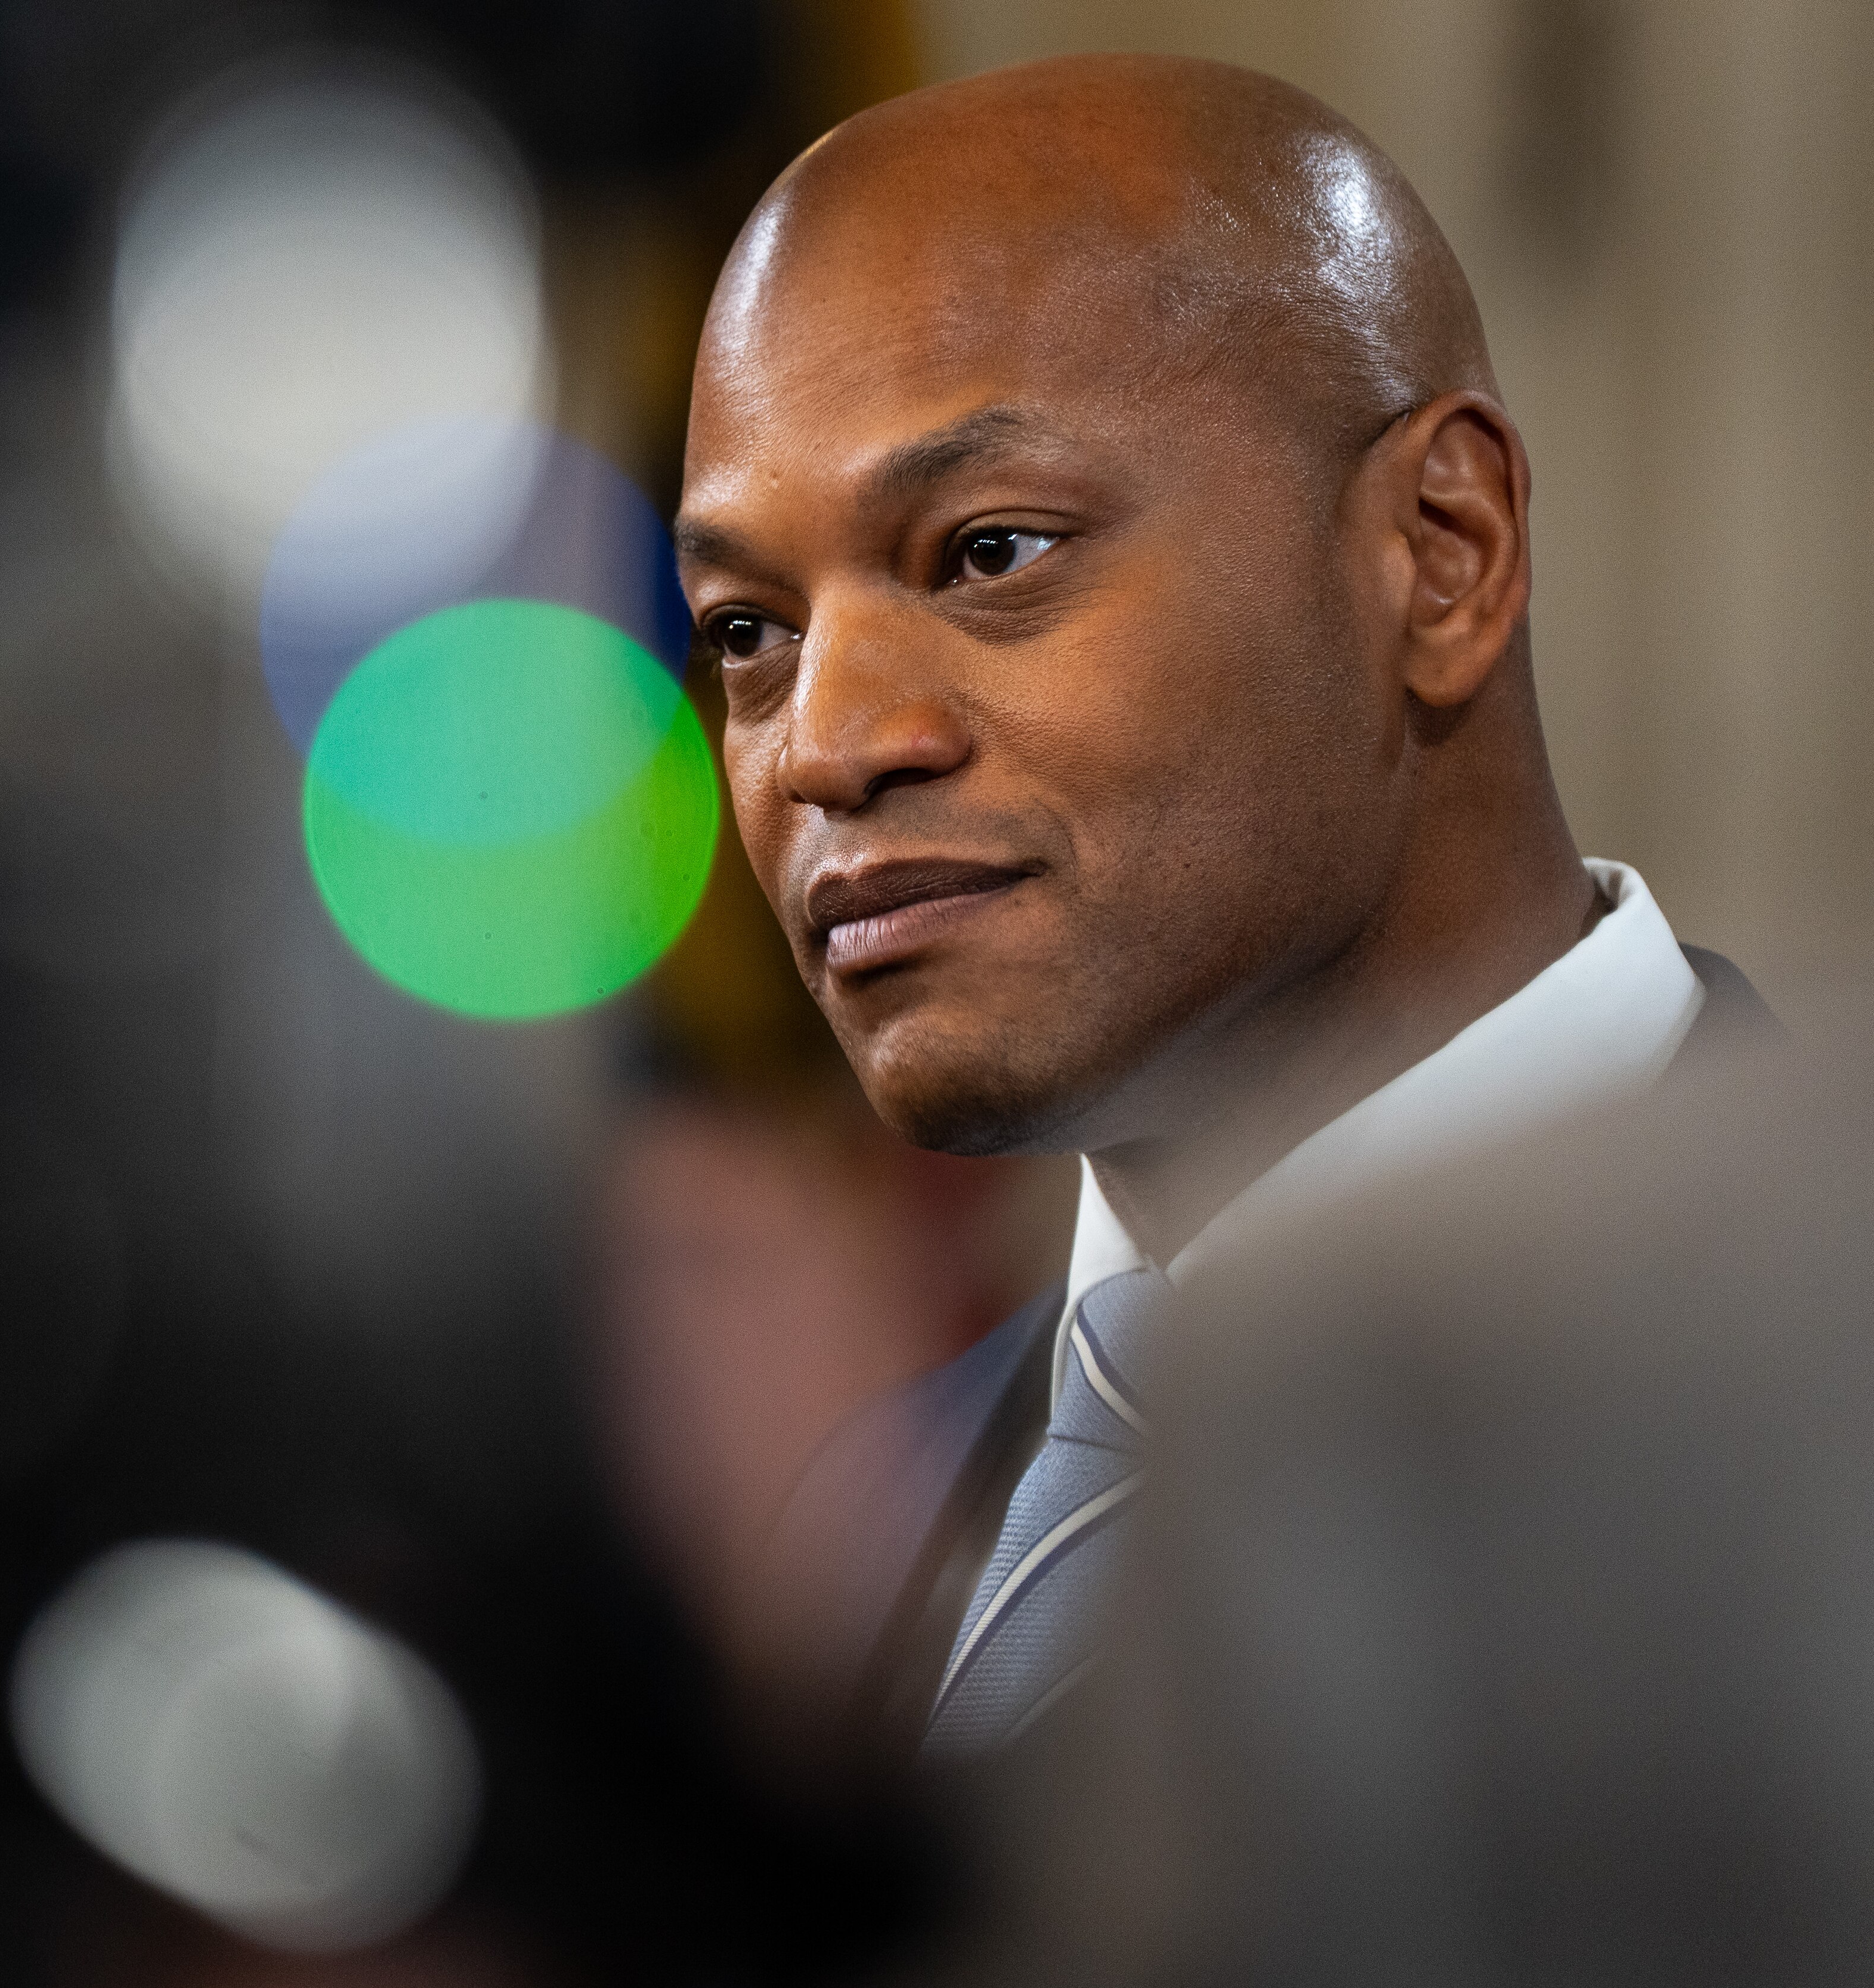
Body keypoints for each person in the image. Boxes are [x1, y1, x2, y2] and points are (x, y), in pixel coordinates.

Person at [670, 52, 1776, 1754]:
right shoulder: (888, 1521)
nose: (824, 746)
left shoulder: (1813, 1389)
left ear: (1445, 548)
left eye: (989, 554)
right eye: (751, 631)